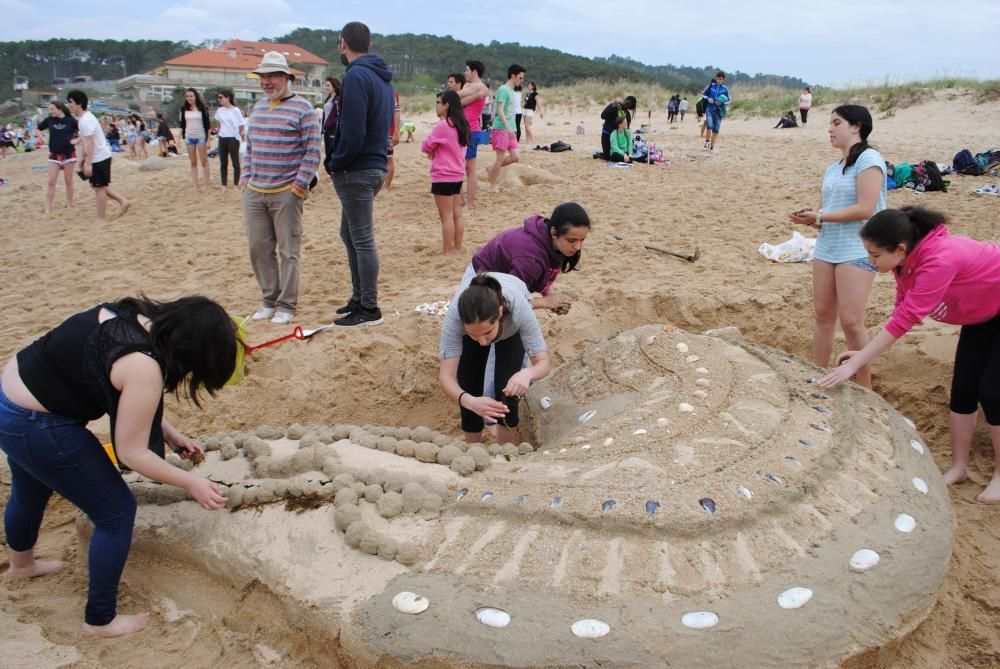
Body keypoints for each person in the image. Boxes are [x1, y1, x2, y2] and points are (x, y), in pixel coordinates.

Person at [0, 295, 236, 637]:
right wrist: (190, 483)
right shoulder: (144, 367)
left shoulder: (128, 315)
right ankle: (100, 619)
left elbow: (123, 391)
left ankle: (22, 565)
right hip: (37, 423)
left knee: (31, 484)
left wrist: (168, 433)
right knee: (116, 511)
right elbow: (132, 454)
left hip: (9, 400)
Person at [817, 206, 1000, 503]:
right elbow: (900, 311)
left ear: (899, 249)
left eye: (875, 255)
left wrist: (860, 361)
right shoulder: (905, 264)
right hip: (983, 312)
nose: (870, 261)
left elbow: (909, 318)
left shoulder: (939, 259)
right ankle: (959, 466)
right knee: (964, 387)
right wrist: (863, 353)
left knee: (992, 393)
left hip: (995, 304)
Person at [789, 104, 886, 388]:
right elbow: (827, 212)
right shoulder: (833, 168)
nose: (830, 129)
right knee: (823, 315)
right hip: (828, 246)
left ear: (856, 126)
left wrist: (821, 216)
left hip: (857, 247)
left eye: (836, 123)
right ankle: (816, 373)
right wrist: (812, 219)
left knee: (853, 322)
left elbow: (866, 208)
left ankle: (865, 387)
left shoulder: (870, 159)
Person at [241, 51, 321, 325]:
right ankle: (268, 300)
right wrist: (246, 176)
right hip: (255, 190)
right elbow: (249, 146)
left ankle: (286, 305)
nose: (266, 82)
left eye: (272, 76)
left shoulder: (303, 109)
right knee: (258, 248)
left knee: (289, 252)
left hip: (286, 192)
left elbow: (312, 152)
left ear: (286, 78)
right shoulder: (258, 108)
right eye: (263, 77)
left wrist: (298, 187)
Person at [325, 21, 394, 328]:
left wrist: (335, 162)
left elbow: (352, 130)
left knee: (362, 237)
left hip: (357, 167)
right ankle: (359, 298)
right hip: (375, 164)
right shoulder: (383, 79)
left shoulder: (355, 75)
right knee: (350, 233)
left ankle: (369, 307)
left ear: (343, 43)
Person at [439, 273, 550, 445]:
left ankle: (506, 451)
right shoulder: (455, 317)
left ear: (499, 312)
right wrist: (469, 401)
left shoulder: (519, 309)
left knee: (508, 390)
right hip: (477, 321)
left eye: (487, 333)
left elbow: (543, 363)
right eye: (474, 335)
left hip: (510, 330)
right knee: (469, 386)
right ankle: (473, 448)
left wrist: (528, 374)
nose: (483, 342)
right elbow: (446, 376)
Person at [470, 201, 591, 314]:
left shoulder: (546, 234)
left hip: (499, 279)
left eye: (582, 240)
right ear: (554, 232)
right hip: (480, 285)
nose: (578, 247)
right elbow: (506, 301)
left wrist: (551, 296)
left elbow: (542, 272)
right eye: (572, 240)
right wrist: (546, 302)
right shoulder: (531, 260)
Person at [66, 90, 130, 220]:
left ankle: (101, 218)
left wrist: (88, 162)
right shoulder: (83, 119)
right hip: (98, 156)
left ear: (79, 103)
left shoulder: (85, 120)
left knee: (99, 188)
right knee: (97, 186)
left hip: (99, 157)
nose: (69, 105)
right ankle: (123, 201)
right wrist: (82, 159)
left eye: (71, 102)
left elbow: (90, 143)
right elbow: (86, 141)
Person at [421, 90, 469, 255]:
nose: (436, 106)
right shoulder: (462, 124)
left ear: (447, 105)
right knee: (457, 215)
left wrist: (432, 150)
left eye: (438, 102)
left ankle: (447, 252)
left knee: (446, 217)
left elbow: (426, 146)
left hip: (443, 176)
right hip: (457, 175)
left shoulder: (444, 125)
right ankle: (457, 248)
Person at [487, 64, 525, 190]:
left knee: (516, 157)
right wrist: (508, 127)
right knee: (500, 157)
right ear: (513, 76)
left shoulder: (512, 91)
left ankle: (491, 169)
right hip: (501, 128)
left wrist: (512, 128)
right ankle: (492, 185)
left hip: (511, 128)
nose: (522, 80)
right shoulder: (503, 89)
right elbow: (500, 110)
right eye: (520, 78)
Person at [457, 59, 488, 208]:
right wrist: (475, 96)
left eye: (467, 70)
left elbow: (457, 97)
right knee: (459, 166)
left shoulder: (481, 86)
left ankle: (469, 203)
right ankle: (462, 200)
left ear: (474, 72)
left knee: (469, 168)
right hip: (461, 129)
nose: (465, 73)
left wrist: (463, 98)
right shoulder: (471, 86)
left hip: (471, 130)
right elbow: (457, 98)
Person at [37, 100, 78, 213]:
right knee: (51, 181)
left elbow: (83, 131)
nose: (50, 111)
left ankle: (69, 204)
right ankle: (48, 207)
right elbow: (38, 129)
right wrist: (41, 138)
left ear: (60, 109)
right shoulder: (49, 120)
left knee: (68, 181)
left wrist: (77, 140)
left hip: (69, 154)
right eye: (49, 109)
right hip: (54, 154)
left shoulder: (71, 120)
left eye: (52, 109)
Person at [214, 88, 245, 190]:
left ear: (228, 98)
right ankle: (224, 185)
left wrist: (242, 138)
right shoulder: (219, 110)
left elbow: (241, 126)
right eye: (218, 98)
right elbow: (218, 124)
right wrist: (217, 131)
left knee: (235, 162)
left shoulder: (236, 110)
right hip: (222, 138)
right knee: (223, 163)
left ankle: (235, 184)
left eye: (221, 97)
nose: (219, 99)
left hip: (233, 138)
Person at [179, 88, 210, 189]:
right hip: (189, 137)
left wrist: (208, 140)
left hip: (201, 136)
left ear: (195, 96)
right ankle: (195, 185)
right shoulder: (183, 108)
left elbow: (207, 125)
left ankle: (205, 184)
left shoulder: (203, 109)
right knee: (193, 162)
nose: (189, 98)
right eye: (187, 96)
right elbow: (182, 124)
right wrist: (179, 138)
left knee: (204, 161)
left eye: (191, 96)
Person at [599, 95, 636, 160]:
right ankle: (599, 155)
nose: (626, 106)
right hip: (607, 134)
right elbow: (603, 116)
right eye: (626, 103)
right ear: (624, 100)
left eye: (629, 106)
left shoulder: (627, 115)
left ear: (630, 108)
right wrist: (611, 107)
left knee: (620, 154)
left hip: (617, 138)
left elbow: (626, 131)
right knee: (607, 157)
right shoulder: (614, 106)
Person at [701, 71, 730, 150]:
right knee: (709, 125)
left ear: (723, 79)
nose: (718, 80)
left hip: (719, 111)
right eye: (717, 79)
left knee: (716, 130)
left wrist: (722, 102)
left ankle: (712, 147)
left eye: (720, 79)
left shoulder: (725, 89)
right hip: (709, 109)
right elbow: (703, 94)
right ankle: (707, 142)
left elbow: (729, 100)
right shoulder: (710, 86)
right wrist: (708, 98)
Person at [382, 86, 401, 192]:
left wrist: (396, 132)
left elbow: (396, 111)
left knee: (388, 158)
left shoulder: (391, 90)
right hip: (373, 131)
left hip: (387, 131)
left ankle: (386, 186)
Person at [321, 77, 342, 158]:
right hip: (326, 130)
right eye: (326, 85)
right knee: (327, 153)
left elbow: (340, 115)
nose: (326, 88)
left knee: (332, 152)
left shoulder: (338, 99)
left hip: (333, 130)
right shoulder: (328, 99)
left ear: (334, 86)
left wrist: (329, 124)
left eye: (328, 86)